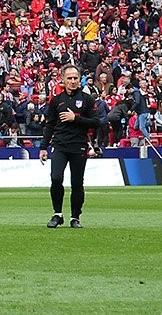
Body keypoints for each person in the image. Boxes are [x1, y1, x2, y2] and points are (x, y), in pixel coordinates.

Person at [39, 66, 99, 229]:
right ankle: (57, 214)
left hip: (79, 146)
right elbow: (50, 125)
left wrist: (76, 118)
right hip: (59, 145)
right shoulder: (56, 100)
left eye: (75, 78)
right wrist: (43, 147)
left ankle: (75, 217)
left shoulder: (87, 99)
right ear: (63, 80)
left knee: (77, 183)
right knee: (56, 178)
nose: (73, 81)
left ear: (80, 80)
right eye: (70, 78)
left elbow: (96, 122)